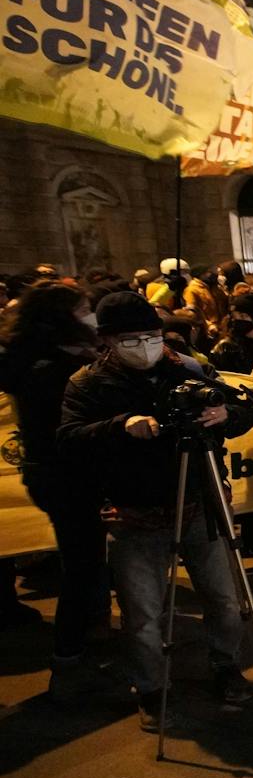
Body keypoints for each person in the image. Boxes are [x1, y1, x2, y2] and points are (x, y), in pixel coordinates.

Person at [58, 292, 253, 730]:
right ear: (109, 341)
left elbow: (246, 411)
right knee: (144, 615)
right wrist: (120, 426)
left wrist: (224, 414)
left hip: (197, 503)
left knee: (225, 601)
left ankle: (226, 665)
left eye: (152, 336)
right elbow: (69, 439)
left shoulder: (185, 368)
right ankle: (150, 688)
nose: (146, 346)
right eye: (133, 339)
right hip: (133, 514)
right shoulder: (88, 383)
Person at [0, 281, 113, 697]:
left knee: (86, 558)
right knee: (81, 565)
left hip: (54, 474)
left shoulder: (38, 361)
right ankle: (68, 660)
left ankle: (93, 634)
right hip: (67, 477)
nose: (91, 315)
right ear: (62, 320)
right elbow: (71, 429)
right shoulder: (49, 372)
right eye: (84, 308)